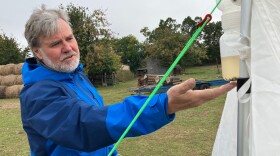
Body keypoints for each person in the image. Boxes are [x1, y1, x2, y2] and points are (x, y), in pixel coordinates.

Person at [20, 5, 236, 156]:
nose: (68, 47)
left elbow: (98, 118)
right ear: (38, 52)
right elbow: (84, 125)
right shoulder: (38, 94)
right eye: (56, 43)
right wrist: (162, 104)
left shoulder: (75, 75)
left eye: (69, 38)